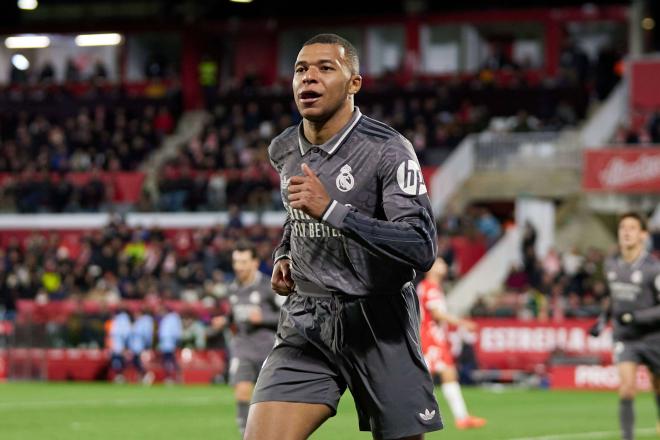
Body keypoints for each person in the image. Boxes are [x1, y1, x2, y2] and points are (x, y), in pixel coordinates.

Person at [245, 33, 442, 440]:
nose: (308, 79)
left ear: (355, 83)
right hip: (307, 319)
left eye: (325, 68)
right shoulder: (284, 148)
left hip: (377, 319)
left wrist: (334, 211)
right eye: (301, 70)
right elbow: (297, 213)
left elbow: (421, 245)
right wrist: (286, 253)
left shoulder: (388, 149)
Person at [589, 212, 660, 440]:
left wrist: (636, 317)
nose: (626, 232)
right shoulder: (611, 264)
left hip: (654, 336)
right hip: (625, 337)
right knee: (627, 388)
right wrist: (602, 320)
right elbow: (612, 298)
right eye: (622, 228)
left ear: (643, 235)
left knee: (658, 387)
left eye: (632, 228)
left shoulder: (653, 268)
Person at [211, 241, 281, 437]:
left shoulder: (269, 285)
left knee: (270, 399)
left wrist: (264, 319)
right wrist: (223, 322)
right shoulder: (232, 288)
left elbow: (288, 315)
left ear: (254, 263)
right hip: (243, 347)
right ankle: (246, 435)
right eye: (236, 262)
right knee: (242, 391)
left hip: (269, 348)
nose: (238, 267)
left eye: (243, 262)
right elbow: (234, 316)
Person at [417, 257, 487, 430]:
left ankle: (462, 418)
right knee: (424, 378)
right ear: (430, 268)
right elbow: (437, 314)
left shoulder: (427, 287)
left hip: (434, 338)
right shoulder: (430, 288)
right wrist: (463, 323)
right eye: (440, 263)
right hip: (430, 339)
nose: (445, 266)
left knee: (447, 374)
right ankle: (409, 414)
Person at [157, 304, 182, 383]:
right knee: (168, 361)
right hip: (165, 344)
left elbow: (176, 331)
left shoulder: (173, 318)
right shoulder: (167, 318)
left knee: (170, 361)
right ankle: (172, 377)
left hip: (170, 343)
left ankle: (174, 377)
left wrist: (176, 341)